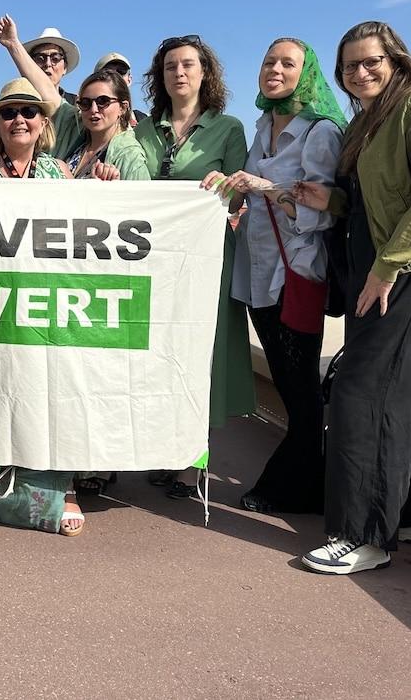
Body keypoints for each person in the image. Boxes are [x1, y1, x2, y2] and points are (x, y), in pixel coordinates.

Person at [292, 22, 411, 576]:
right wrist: (332, 201)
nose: (360, 73)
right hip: (375, 274)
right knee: (398, 398)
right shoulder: (368, 122)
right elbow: (375, 205)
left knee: (363, 396)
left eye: (371, 62)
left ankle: (364, 535)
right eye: (349, 66)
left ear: (396, 61)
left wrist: (387, 269)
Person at [200, 38, 346, 516]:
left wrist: (267, 187)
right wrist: (222, 187)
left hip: (295, 273)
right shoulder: (263, 126)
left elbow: (321, 212)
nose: (274, 70)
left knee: (300, 386)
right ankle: (311, 481)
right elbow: (243, 195)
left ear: (306, 74)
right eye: (268, 62)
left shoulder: (318, 131)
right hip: (257, 273)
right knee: (288, 384)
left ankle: (300, 485)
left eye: (288, 63)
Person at [0, 77, 89, 534]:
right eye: (9, 113)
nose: (18, 120)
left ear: (43, 122)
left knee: (50, 391)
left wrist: (106, 185)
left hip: (43, 302)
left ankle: (63, 486)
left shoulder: (59, 173)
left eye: (28, 112)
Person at [133, 35, 256, 497]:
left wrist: (227, 183)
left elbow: (240, 189)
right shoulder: (143, 131)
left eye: (187, 65)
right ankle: (164, 446)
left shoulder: (228, 129)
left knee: (202, 353)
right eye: (169, 67)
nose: (178, 73)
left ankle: (195, 458)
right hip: (156, 264)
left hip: (206, 261)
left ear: (206, 72)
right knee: (160, 354)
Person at [65, 67, 149, 181]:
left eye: (103, 101)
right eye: (85, 103)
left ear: (123, 107)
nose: (93, 109)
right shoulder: (79, 142)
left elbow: (142, 197)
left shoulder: (130, 155)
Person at [16, 24, 83, 159]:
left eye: (55, 58)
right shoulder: (15, 103)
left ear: (65, 68)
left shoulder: (80, 105)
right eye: (40, 58)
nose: (48, 63)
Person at [94, 53, 147, 123]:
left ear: (129, 79)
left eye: (121, 71)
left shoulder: (143, 120)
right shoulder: (86, 118)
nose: (116, 76)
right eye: (107, 72)